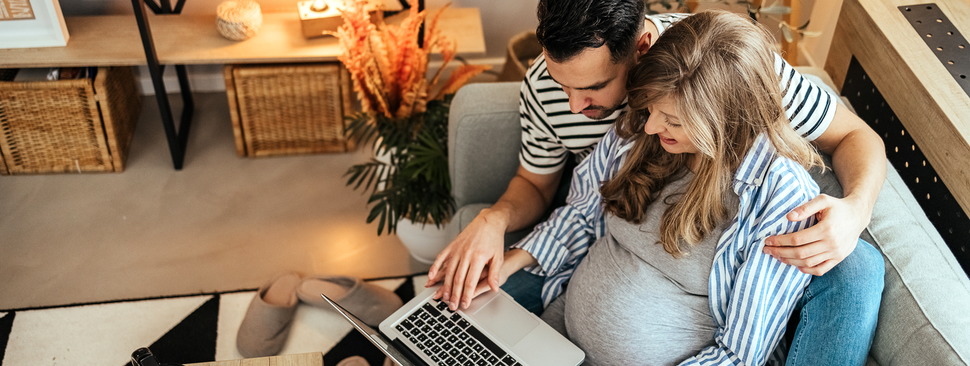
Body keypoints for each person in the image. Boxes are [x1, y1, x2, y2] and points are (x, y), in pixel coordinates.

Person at [428, 0, 886, 364]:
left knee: (860, 267)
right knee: (441, 324)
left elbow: (854, 134)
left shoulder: (736, 75)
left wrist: (856, 209)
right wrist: (504, 247)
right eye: (649, 111)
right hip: (563, 330)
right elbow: (577, 211)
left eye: (594, 88)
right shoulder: (639, 127)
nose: (571, 106)